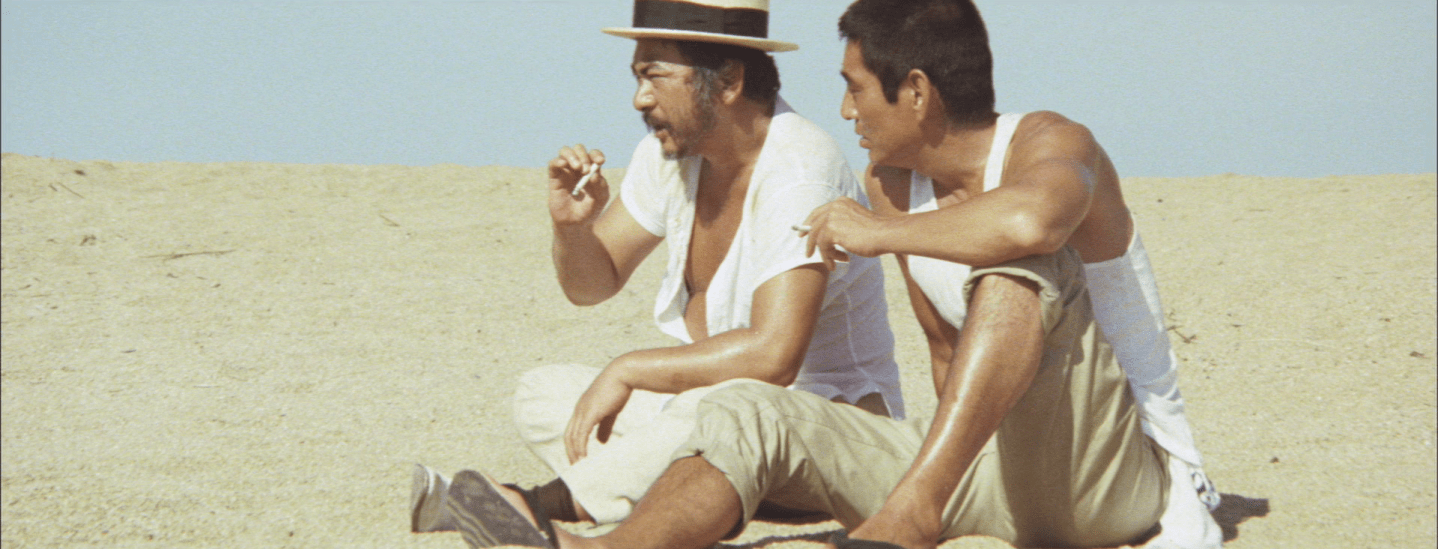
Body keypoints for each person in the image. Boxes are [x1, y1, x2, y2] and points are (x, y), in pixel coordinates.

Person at [439, 1, 1219, 548]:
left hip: (1108, 467)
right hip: (981, 470)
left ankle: (905, 512)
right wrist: (570, 227)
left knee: (1018, 270)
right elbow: (944, 351)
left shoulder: (1052, 142)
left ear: (917, 91)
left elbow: (1031, 224)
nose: (845, 113)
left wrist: (879, 233)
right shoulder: (892, 180)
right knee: (742, 411)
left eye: (855, 88)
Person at [410, 0, 904, 534]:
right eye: (637, 77)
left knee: (714, 410)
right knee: (545, 394)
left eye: (654, 76)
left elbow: (773, 355)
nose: (640, 98)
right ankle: (683, 497)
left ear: (729, 80)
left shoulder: (801, 172)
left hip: (816, 429)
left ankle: (530, 506)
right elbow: (591, 286)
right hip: (713, 409)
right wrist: (572, 228)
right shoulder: (671, 154)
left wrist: (628, 368)